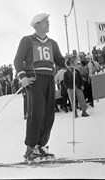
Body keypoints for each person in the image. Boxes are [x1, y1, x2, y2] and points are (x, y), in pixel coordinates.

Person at [14, 13, 69, 162]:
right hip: (34, 78)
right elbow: (18, 60)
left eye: (48, 22)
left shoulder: (53, 43)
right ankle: (30, 148)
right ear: (36, 24)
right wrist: (22, 77)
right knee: (37, 112)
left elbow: (59, 60)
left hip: (49, 78)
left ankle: (41, 146)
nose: (48, 24)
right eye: (45, 22)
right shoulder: (27, 40)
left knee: (49, 114)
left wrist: (68, 65)